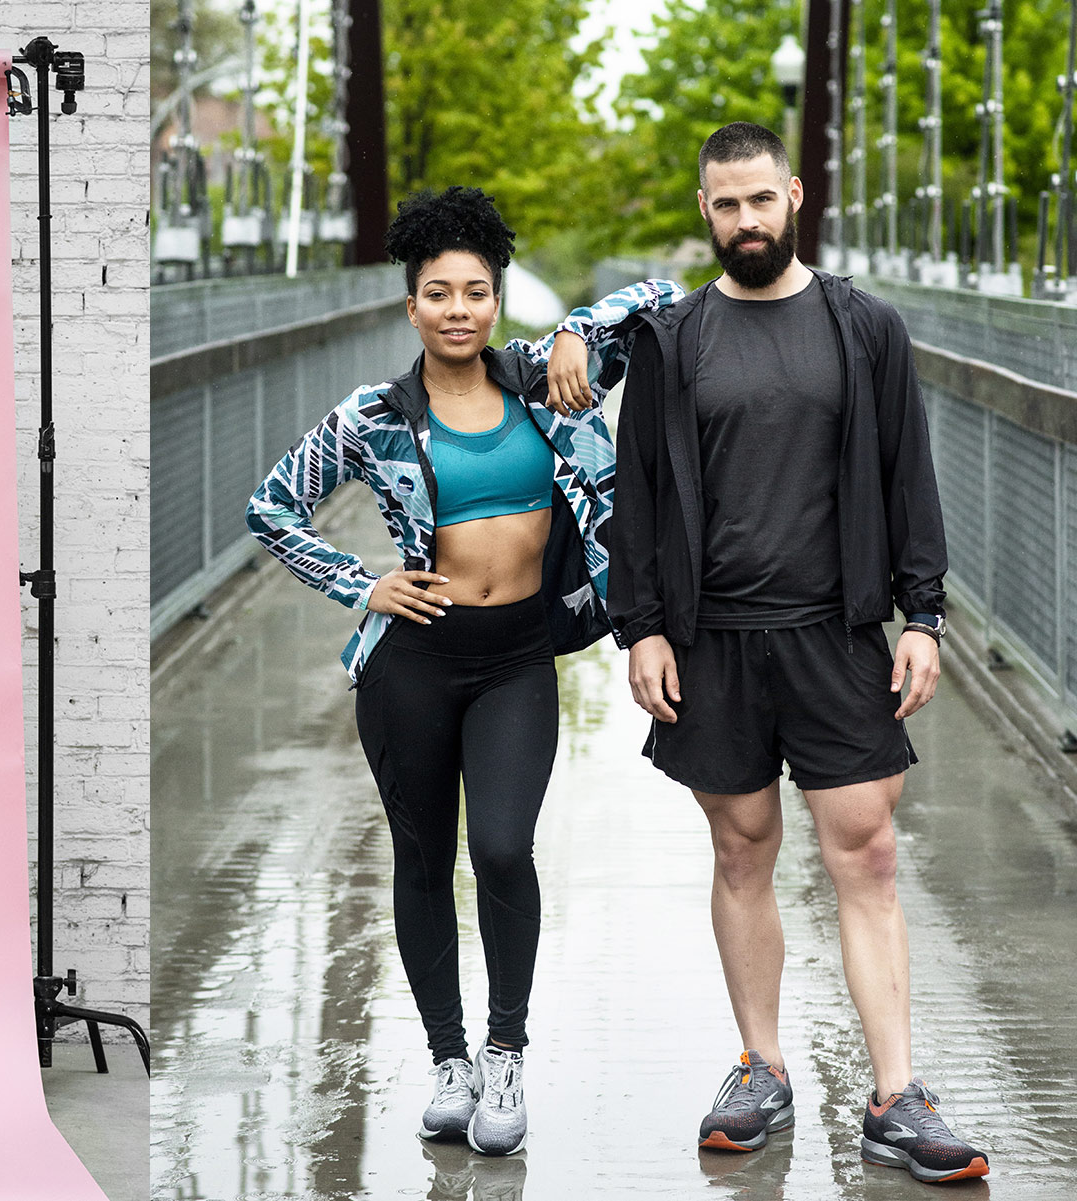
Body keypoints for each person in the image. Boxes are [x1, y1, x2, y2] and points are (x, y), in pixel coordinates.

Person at [246, 185, 681, 1155]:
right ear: (411, 308)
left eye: (476, 292)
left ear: (497, 300)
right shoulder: (373, 417)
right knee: (419, 857)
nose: (457, 309)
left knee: (500, 849)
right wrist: (363, 584)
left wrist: (579, 326)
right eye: (437, 293)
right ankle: (449, 1061)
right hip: (413, 663)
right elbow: (270, 509)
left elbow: (664, 296)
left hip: (519, 656)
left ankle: (506, 1051)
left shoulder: (544, 382)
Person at [607, 121, 989, 1184]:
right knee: (741, 851)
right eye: (724, 205)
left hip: (836, 631)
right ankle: (761, 1067)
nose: (745, 222)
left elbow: (910, 474)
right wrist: (640, 625)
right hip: (711, 639)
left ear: (796, 195)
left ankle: (897, 1095)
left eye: (760, 201)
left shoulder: (863, 325)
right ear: (705, 211)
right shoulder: (673, 340)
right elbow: (635, 497)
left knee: (866, 852)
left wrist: (925, 615)